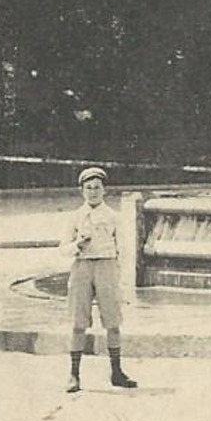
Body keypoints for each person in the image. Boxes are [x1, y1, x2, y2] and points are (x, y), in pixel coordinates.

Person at [60, 167, 137, 393]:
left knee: (113, 322)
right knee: (77, 322)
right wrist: (77, 245)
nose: (93, 192)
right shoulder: (75, 217)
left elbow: (124, 248)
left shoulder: (113, 217)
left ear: (104, 190)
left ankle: (117, 371)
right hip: (82, 266)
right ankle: (74, 374)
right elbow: (62, 249)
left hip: (106, 265)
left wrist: (122, 279)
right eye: (88, 188)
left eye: (97, 188)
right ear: (81, 191)